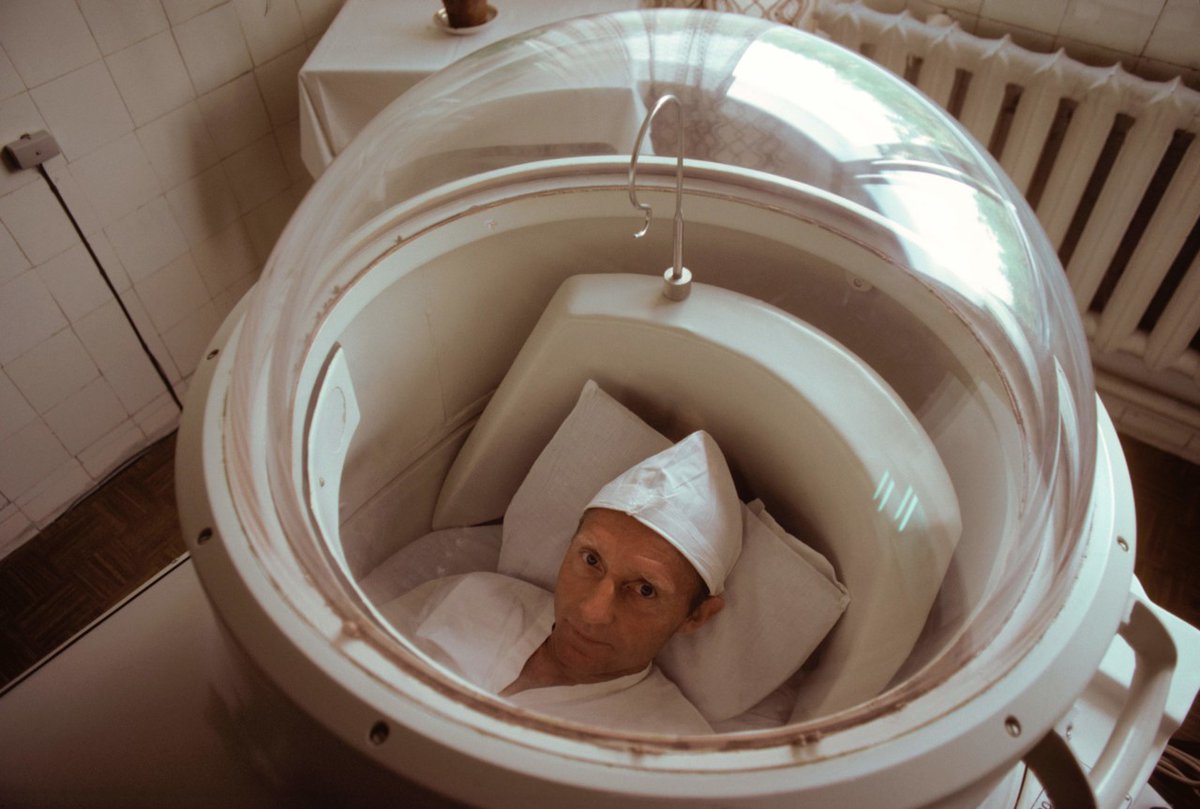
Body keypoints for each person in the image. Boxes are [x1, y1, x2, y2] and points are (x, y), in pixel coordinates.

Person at [382, 430, 742, 734]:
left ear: (696, 617)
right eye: (590, 560)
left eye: (645, 590)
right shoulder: (475, 598)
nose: (592, 611)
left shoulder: (672, 753)